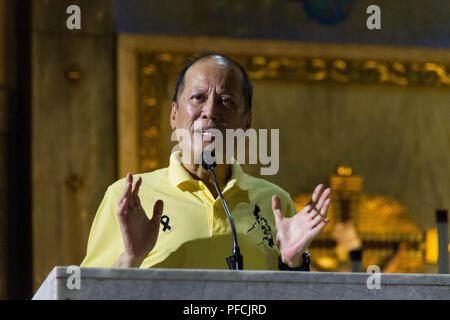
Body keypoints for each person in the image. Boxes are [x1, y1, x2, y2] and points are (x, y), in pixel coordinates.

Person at [80, 52, 331, 270]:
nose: (210, 111)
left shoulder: (276, 202)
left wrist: (292, 263)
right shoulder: (127, 199)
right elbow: (89, 293)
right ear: (174, 114)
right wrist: (130, 259)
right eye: (198, 97)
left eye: (226, 101)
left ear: (246, 122)